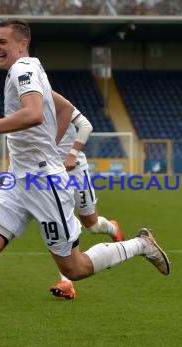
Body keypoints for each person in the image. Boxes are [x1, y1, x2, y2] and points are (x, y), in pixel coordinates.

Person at [0, 18, 170, 347]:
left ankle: (141, 245)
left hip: (43, 184)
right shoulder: (31, 70)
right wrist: (51, 151)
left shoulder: (23, 68)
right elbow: (64, 109)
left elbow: (35, 114)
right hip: (17, 182)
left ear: (23, 43)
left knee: (74, 269)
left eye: (3, 41)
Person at [49, 105, 125, 300]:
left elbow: (86, 126)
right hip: (52, 173)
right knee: (60, 223)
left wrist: (72, 153)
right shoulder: (27, 106)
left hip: (75, 169)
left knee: (91, 224)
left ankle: (112, 228)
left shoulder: (56, 102)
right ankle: (67, 282)